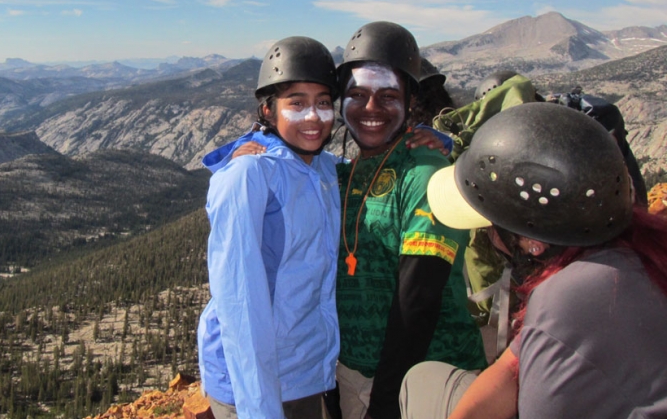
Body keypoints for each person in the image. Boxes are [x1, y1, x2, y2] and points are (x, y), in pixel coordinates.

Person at [400, 102, 667, 419]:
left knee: (422, 384)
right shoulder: (633, 253)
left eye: (488, 225)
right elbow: (512, 364)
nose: (486, 235)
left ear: (530, 243)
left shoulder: (564, 299)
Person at [332, 21, 486, 419]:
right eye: (357, 95)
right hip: (354, 375)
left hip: (423, 383)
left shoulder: (424, 171)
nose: (371, 108)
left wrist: (384, 404)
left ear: (409, 99)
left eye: (387, 95)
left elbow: (418, 299)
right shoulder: (345, 173)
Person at [197, 36, 341, 419]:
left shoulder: (323, 167)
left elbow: (371, 165)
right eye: (296, 103)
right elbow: (241, 304)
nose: (313, 116)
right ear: (267, 109)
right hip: (256, 384)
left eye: (323, 103)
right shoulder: (250, 175)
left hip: (305, 371)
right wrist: (259, 409)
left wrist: (432, 141)